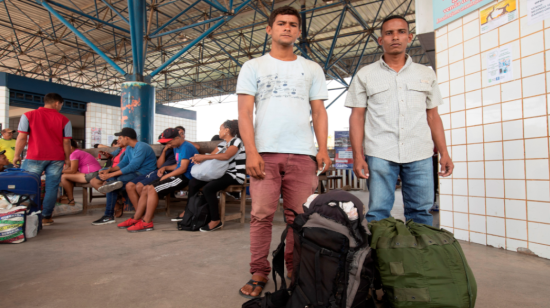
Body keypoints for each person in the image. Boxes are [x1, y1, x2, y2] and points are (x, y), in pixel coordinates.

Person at [237, 6, 330, 298]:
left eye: (292, 24)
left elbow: (319, 111)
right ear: (269, 29)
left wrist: (323, 148)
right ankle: (259, 271)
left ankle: (294, 269)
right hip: (265, 154)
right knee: (261, 215)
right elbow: (244, 112)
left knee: (298, 218)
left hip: (302, 154)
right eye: (281, 23)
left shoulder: (312, 68)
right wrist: (251, 152)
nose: (287, 28)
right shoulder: (253, 67)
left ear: (299, 32)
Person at [346, 15, 454, 226]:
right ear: (380, 40)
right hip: (380, 152)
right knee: (378, 212)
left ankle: (420, 258)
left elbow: (433, 116)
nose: (395, 37)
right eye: (389, 33)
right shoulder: (365, 75)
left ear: (409, 37)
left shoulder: (426, 74)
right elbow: (357, 117)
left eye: (401, 32)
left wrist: (444, 152)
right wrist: (357, 156)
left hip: (420, 152)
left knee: (421, 212)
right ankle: (384, 258)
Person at [117, 128, 198, 232]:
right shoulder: (176, 146)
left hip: (184, 177)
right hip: (177, 174)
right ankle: (136, 218)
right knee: (146, 188)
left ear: (177, 138)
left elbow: (183, 169)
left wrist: (165, 176)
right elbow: (178, 165)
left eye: (169, 142)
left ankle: (147, 222)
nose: (168, 145)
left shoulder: (186, 147)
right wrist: (165, 168)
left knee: (152, 189)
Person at [173, 120, 246, 232]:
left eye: (220, 128)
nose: (219, 131)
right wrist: (198, 159)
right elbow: (211, 157)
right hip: (220, 173)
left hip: (234, 175)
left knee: (208, 188)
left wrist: (203, 157)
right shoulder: (222, 144)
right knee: (193, 182)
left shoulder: (236, 141)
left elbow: (226, 156)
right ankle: (189, 211)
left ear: (227, 130)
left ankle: (215, 220)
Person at [13, 93, 72, 226]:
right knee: (52, 187)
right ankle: (46, 217)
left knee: (28, 185)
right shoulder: (64, 120)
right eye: (61, 105)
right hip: (56, 158)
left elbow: (22, 137)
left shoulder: (28, 115)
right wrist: (67, 158)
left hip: (34, 156)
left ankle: (27, 215)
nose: (61, 107)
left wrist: (16, 155)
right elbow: (66, 142)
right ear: (57, 103)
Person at [90, 127, 157, 225]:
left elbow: (133, 166)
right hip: (134, 173)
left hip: (144, 174)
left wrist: (111, 175)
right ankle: (109, 215)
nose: (119, 140)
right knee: (112, 181)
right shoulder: (129, 148)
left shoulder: (142, 147)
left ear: (127, 138)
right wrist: (109, 170)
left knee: (112, 181)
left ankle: (109, 215)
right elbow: (124, 163)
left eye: (120, 138)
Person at [124, 134, 177, 212]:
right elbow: (159, 165)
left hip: (167, 172)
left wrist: (165, 168)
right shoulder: (167, 149)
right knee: (129, 186)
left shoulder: (181, 148)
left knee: (139, 186)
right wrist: (165, 150)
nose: (168, 144)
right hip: (158, 170)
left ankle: (143, 213)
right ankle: (139, 213)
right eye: (166, 143)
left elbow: (181, 165)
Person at [58, 139, 102, 205]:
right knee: (66, 176)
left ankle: (70, 200)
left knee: (64, 177)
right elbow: (72, 169)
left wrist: (59, 171)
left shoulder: (74, 154)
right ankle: (68, 198)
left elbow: (73, 170)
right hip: (94, 173)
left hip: (92, 174)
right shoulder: (77, 152)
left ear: (70, 147)